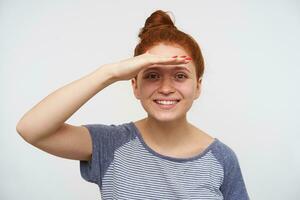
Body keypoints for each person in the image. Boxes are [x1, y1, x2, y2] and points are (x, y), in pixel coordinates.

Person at [16, 10, 249, 200]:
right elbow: (31, 129)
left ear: (197, 86)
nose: (166, 87)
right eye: (152, 75)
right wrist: (109, 73)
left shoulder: (221, 159)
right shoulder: (110, 144)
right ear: (134, 86)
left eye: (179, 76)